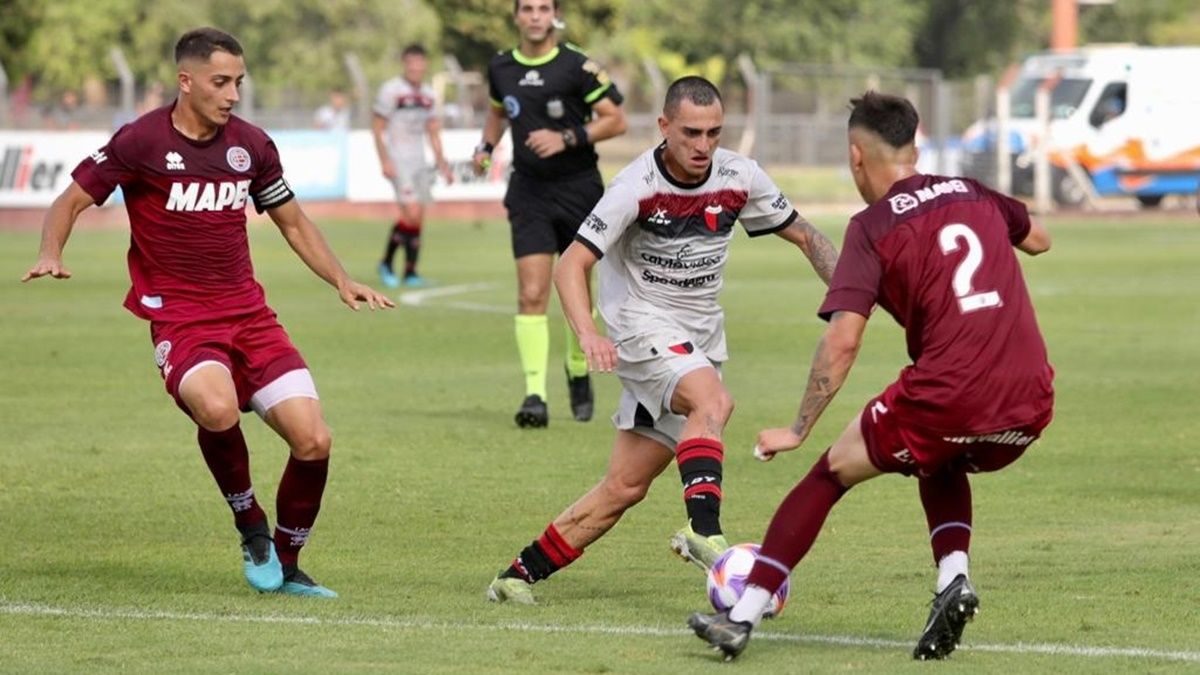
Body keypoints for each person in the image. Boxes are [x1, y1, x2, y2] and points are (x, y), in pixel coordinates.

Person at [21, 27, 395, 598]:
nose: (233, 95)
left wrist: (341, 279)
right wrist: (51, 252)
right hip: (181, 321)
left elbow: (293, 222)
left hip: (250, 316)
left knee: (314, 440)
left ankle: (287, 563)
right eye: (221, 82)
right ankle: (251, 527)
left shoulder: (252, 146)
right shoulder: (140, 142)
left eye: (239, 82)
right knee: (217, 407)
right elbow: (69, 200)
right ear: (186, 80)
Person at [688, 91, 1055, 661]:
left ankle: (742, 613)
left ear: (857, 156)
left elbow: (843, 340)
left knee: (828, 476)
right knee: (939, 456)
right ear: (918, 140)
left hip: (950, 393)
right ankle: (952, 577)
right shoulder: (972, 190)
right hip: (1031, 398)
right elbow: (1038, 239)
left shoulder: (872, 226)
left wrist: (797, 428)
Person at [485, 76, 839, 605]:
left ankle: (516, 576)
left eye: (714, 133)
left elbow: (808, 235)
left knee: (624, 487)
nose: (703, 146)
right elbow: (571, 265)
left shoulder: (740, 176)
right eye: (691, 133)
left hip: (697, 343)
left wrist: (851, 294)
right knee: (713, 401)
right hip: (640, 329)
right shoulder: (635, 186)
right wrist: (588, 334)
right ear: (664, 126)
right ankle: (703, 529)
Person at [472, 0, 628, 428]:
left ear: (554, 15)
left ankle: (578, 367)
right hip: (528, 191)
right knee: (531, 292)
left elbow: (616, 119)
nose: (535, 16)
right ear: (517, 16)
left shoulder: (577, 65)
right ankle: (535, 395)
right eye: (528, 8)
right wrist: (485, 150)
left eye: (543, 8)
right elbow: (496, 112)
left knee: (577, 283)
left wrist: (567, 137)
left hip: (579, 188)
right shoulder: (501, 67)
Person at [373, 44, 453, 288]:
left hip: (420, 162)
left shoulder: (429, 94)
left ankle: (410, 272)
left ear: (425, 64)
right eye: (411, 63)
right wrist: (385, 159)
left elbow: (433, 132)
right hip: (399, 159)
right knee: (412, 212)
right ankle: (386, 263)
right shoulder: (392, 90)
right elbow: (377, 128)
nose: (416, 67)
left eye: (420, 62)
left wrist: (442, 164)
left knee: (418, 218)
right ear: (404, 64)